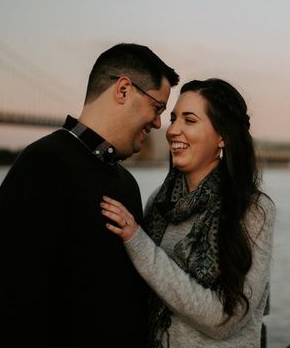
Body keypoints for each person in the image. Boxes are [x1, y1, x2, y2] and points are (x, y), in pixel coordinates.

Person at [0, 44, 179, 346]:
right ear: (124, 89)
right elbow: (15, 308)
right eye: (157, 108)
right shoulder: (41, 167)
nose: (158, 123)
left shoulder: (127, 183)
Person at [101, 78, 275, 348]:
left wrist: (138, 242)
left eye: (189, 120)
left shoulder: (251, 209)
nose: (173, 130)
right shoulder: (158, 202)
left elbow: (225, 320)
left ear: (222, 137)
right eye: (174, 118)